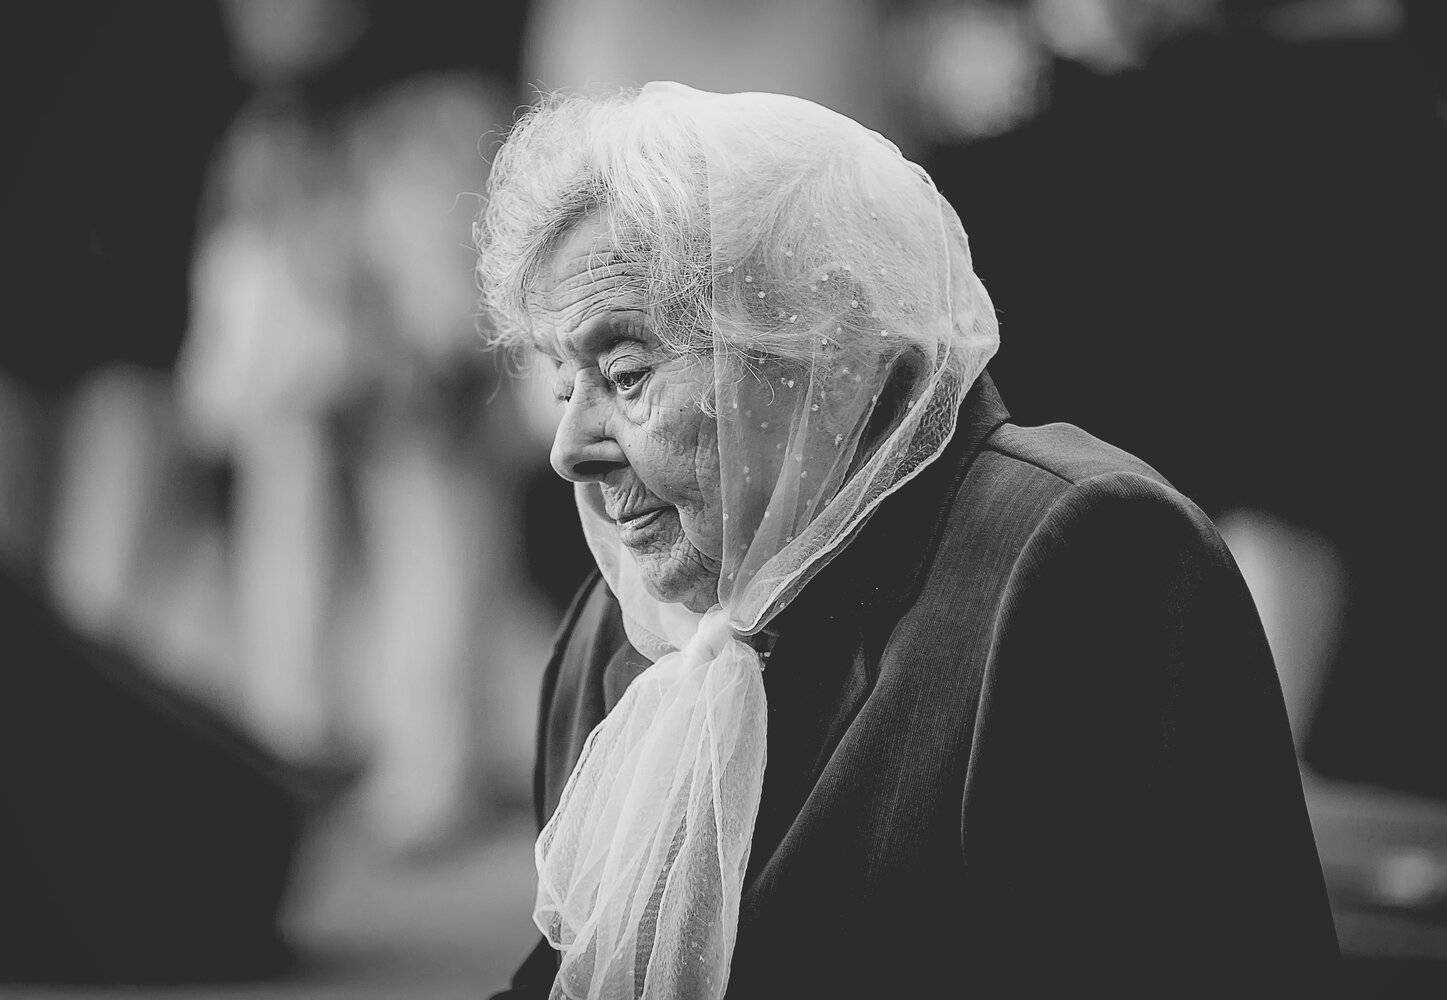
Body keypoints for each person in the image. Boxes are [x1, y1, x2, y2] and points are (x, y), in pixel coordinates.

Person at [477, 83, 1336, 1000]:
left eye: (626, 372)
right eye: (564, 387)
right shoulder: (616, 626)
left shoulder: (1087, 560)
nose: (569, 450)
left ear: (819, 348)